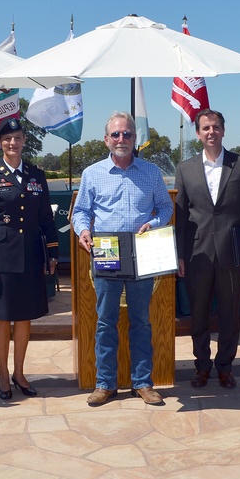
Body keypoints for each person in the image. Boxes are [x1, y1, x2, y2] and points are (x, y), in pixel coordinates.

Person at [71, 111, 173, 406]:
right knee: (105, 321)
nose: (121, 139)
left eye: (127, 134)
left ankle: (143, 383)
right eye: (115, 134)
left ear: (135, 138)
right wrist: (83, 230)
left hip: (142, 250)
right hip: (106, 251)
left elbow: (165, 208)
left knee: (141, 321)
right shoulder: (92, 173)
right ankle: (105, 384)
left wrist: (152, 225)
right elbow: (81, 212)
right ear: (106, 140)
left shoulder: (152, 173)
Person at [174, 109, 240, 389]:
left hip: (232, 254)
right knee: (198, 315)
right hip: (197, 255)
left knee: (229, 315)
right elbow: (181, 217)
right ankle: (202, 367)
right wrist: (179, 255)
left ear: (224, 130)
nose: (211, 132)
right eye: (205, 128)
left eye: (215, 127)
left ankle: (225, 366)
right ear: (197, 134)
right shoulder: (185, 169)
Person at [0, 119, 58, 400]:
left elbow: (46, 218)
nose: (13, 143)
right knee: (2, 318)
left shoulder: (36, 174)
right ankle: (2, 373)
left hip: (31, 256)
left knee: (24, 318)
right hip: (0, 258)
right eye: (7, 139)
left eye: (18, 138)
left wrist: (53, 254)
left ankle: (19, 372)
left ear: (24, 141)